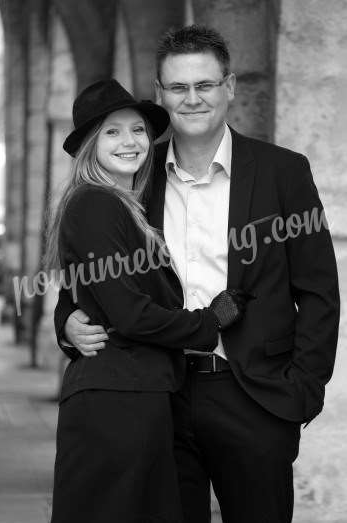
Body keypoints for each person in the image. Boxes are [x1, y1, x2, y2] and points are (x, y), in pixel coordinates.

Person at [54, 26, 340, 523]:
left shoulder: (283, 172)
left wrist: (303, 390)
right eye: (179, 88)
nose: (193, 99)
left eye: (205, 85)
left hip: (254, 398)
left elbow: (319, 291)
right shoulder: (134, 180)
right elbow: (90, 273)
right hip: (160, 400)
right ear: (160, 95)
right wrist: (66, 322)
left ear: (229, 87)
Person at [47, 78, 251, 523]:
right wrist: (210, 322)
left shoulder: (125, 203)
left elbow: (84, 288)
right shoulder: (97, 204)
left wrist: (66, 321)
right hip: (117, 401)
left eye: (138, 130)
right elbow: (130, 313)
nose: (130, 141)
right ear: (89, 146)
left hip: (138, 395)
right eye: (112, 132)